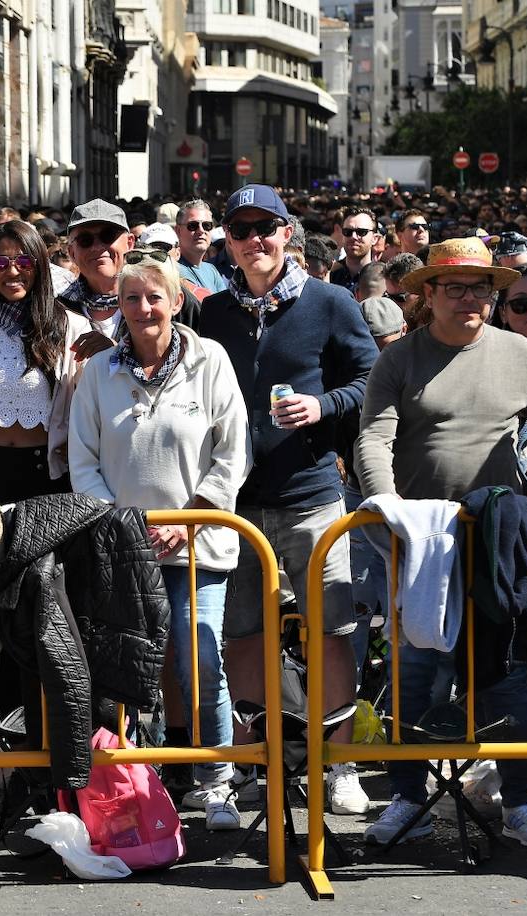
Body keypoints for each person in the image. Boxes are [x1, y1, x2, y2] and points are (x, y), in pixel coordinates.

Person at [354, 237, 527, 848]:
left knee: (510, 676)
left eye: (481, 289)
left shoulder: (521, 353)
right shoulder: (400, 359)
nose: (470, 299)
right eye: (456, 288)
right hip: (420, 547)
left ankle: (522, 800)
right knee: (414, 675)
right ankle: (408, 797)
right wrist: (389, 511)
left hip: (499, 544)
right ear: (429, 295)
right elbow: (373, 438)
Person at [197, 185, 377, 815]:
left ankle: (340, 765)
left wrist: (321, 406)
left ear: (287, 233)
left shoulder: (329, 303)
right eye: (242, 230)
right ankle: (253, 762)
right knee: (242, 636)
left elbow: (369, 380)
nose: (255, 241)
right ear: (229, 240)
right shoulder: (212, 312)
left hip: (311, 498)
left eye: (266, 228)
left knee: (332, 631)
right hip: (236, 504)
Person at [69, 247, 250, 831]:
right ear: (117, 306)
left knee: (201, 654)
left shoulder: (211, 360)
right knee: (123, 665)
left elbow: (232, 453)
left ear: (177, 300)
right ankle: (132, 780)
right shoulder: (99, 373)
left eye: (154, 296)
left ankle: (216, 779)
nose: (143, 307)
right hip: (124, 547)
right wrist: (127, 528)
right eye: (130, 298)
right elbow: (84, 462)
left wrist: (188, 519)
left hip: (200, 541)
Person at [0, 219, 90, 510]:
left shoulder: (71, 327)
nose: (12, 271)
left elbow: (92, 400)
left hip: (46, 472)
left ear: (40, 265)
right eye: (0, 263)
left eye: (24, 261)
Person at [56, 198, 135, 342]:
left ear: (129, 243)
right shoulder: (57, 309)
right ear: (72, 252)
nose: (97, 247)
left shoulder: (160, 298)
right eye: (85, 240)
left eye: (108, 236)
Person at [175, 199, 229, 295]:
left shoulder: (211, 270)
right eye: (193, 225)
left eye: (206, 225)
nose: (201, 230)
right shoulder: (170, 270)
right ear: (178, 231)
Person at [329, 207, 377, 294]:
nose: (353, 237)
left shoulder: (384, 277)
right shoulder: (329, 275)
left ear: (374, 238)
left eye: (361, 232)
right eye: (348, 232)